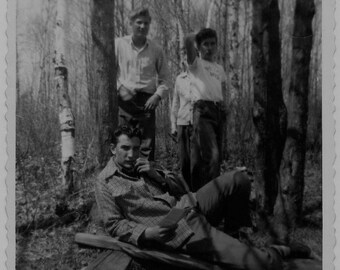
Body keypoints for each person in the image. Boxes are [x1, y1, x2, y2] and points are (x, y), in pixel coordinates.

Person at [95, 125, 311, 270]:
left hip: (188, 204)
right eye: (125, 148)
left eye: (135, 148)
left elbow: (181, 189)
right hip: (178, 230)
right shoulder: (105, 182)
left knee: (238, 179)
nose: (132, 154)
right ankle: (278, 250)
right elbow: (114, 225)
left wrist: (158, 175)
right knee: (260, 263)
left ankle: (235, 236)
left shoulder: (144, 166)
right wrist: (148, 232)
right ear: (113, 149)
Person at [115, 8, 169, 160]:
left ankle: (146, 181)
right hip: (124, 102)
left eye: (146, 23)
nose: (142, 26)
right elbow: (108, 73)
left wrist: (157, 96)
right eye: (139, 22)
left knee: (146, 145)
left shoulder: (156, 49)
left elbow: (165, 79)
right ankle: (125, 181)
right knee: (124, 143)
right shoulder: (119, 45)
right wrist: (119, 89)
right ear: (130, 23)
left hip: (147, 103)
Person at [184, 28, 227, 191]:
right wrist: (196, 36)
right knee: (212, 157)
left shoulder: (220, 68)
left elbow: (222, 90)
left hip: (218, 112)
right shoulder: (196, 64)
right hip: (202, 111)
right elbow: (188, 40)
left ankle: (198, 194)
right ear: (199, 47)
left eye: (213, 44)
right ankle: (211, 197)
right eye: (205, 44)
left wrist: (225, 105)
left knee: (204, 157)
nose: (209, 48)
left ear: (217, 46)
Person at [170, 50, 193, 187]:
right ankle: (187, 191)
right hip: (182, 122)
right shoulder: (179, 79)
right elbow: (175, 103)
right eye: (187, 58)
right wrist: (173, 125)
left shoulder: (203, 78)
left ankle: (199, 191)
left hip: (198, 124)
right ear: (183, 61)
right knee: (184, 161)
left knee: (198, 161)